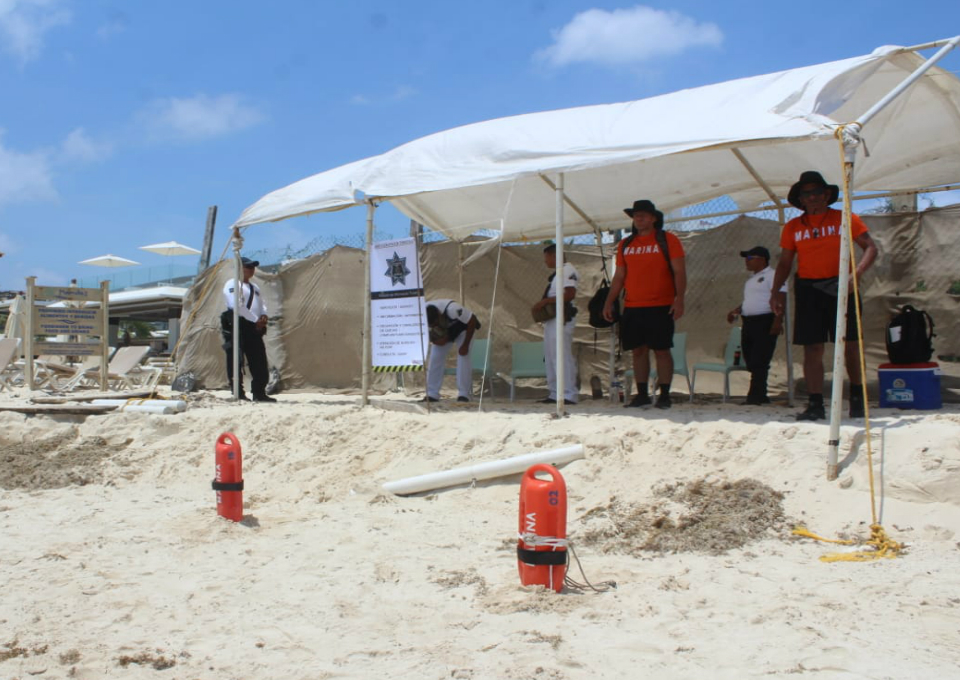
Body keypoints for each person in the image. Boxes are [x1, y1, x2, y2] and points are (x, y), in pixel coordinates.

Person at [769, 171, 878, 421]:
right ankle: (816, 403)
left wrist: (856, 275)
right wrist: (775, 291)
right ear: (801, 199)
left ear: (827, 195)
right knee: (812, 347)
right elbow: (786, 262)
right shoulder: (793, 227)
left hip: (842, 285)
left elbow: (870, 247)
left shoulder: (845, 218)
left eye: (818, 191)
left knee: (850, 344)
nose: (814, 197)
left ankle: (858, 398)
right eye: (807, 193)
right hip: (808, 288)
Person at [602, 199, 686, 409]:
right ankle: (641, 394)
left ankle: (665, 395)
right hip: (633, 305)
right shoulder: (626, 244)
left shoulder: (668, 240)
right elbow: (619, 276)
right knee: (638, 350)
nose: (639, 219)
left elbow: (679, 271)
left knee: (661, 350)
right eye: (636, 215)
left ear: (654, 218)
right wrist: (609, 302)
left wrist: (680, 299)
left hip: (661, 304)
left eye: (643, 215)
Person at [726, 246, 785, 405]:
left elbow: (780, 297)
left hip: (765, 320)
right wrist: (737, 311)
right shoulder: (751, 280)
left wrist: (778, 320)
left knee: (760, 359)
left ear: (762, 259)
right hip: (749, 322)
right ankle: (758, 394)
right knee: (750, 359)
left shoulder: (773, 275)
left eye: (750, 258)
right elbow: (751, 301)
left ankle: (757, 396)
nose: (747, 261)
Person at [221, 257, 276, 402]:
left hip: (254, 326)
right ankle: (238, 392)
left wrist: (263, 315)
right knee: (235, 360)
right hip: (238, 324)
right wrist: (255, 319)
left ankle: (259, 392)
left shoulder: (254, 287)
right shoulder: (232, 284)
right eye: (248, 267)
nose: (251, 270)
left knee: (259, 360)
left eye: (252, 267)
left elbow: (261, 303)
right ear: (239, 268)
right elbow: (236, 305)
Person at [531, 243, 578, 405]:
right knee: (551, 356)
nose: (546, 262)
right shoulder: (558, 273)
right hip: (553, 318)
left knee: (561, 355)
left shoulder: (567, 269)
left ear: (554, 255)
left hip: (562, 316)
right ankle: (555, 392)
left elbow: (570, 294)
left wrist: (546, 301)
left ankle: (568, 393)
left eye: (547, 258)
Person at [424, 299, 479, 403]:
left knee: (463, 356)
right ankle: (432, 394)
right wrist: (436, 341)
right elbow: (427, 335)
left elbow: (472, 320)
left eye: (436, 323)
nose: (435, 326)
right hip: (445, 333)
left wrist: (465, 345)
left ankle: (464, 394)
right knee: (435, 358)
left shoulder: (453, 309)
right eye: (433, 325)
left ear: (439, 314)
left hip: (463, 329)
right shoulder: (422, 315)